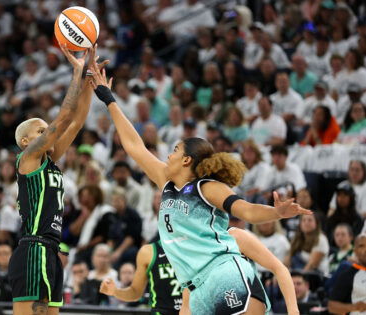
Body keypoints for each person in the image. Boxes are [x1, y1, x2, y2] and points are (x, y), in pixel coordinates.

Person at [90, 62, 309, 314]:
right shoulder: (167, 183)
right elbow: (134, 146)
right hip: (193, 287)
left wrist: (277, 213)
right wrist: (108, 99)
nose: (168, 156)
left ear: (186, 160)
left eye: (174, 150)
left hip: (222, 271)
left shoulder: (207, 188)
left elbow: (246, 212)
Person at [9, 45, 105, 315]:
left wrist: (89, 80)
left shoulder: (50, 161)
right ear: (26, 142)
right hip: (32, 250)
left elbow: (75, 123)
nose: (47, 131)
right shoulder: (27, 160)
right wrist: (76, 72)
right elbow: (63, 119)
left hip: (51, 252)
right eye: (41, 129)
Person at [101, 228, 299, 315]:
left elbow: (279, 268)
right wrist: (116, 291)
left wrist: (293, 311)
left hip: (240, 300)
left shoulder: (233, 237)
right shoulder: (158, 252)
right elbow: (187, 299)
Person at [328, 234, 366, 314]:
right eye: (361, 246)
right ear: (355, 250)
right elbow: (332, 306)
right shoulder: (348, 275)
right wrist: (353, 307)